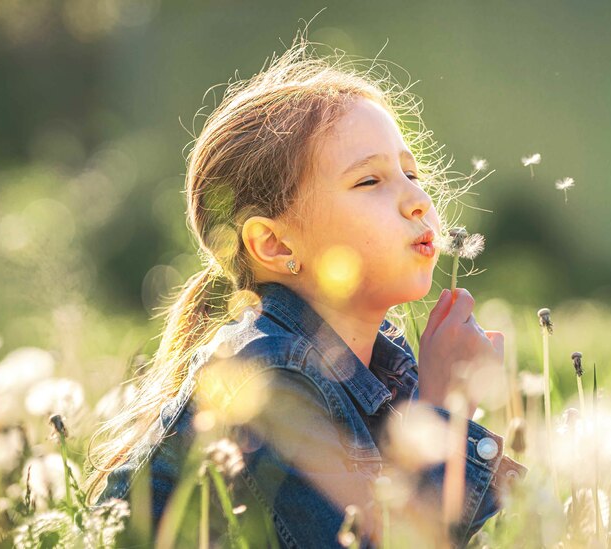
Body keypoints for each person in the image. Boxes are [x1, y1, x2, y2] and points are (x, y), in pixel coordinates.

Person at [83, 30, 525, 548]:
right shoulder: (269, 375)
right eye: (370, 182)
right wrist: (443, 409)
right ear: (273, 244)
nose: (418, 201)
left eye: (411, 171)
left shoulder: (378, 363)